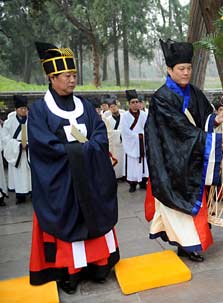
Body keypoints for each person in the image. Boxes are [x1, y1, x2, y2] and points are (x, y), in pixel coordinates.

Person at [28, 42, 119, 294]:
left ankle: (100, 265)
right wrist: (79, 151)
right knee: (68, 224)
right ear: (52, 77)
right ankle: (71, 272)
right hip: (62, 181)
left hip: (89, 178)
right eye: (67, 76)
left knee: (96, 219)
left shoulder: (86, 106)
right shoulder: (39, 111)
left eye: (74, 75)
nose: (72, 80)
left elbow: (100, 133)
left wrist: (89, 149)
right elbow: (43, 145)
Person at [144, 39, 223, 262]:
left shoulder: (194, 92)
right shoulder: (161, 98)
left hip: (190, 155)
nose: (186, 73)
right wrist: (213, 139)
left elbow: (204, 120)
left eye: (189, 68)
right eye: (181, 69)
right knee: (176, 207)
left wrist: (216, 121)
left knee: (194, 203)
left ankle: (189, 243)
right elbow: (178, 130)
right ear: (170, 69)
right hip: (170, 159)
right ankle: (185, 245)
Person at [2, 95, 32, 204]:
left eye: (25, 108)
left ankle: (32, 192)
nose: (23, 111)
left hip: (29, 149)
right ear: (16, 109)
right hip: (16, 151)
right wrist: (18, 146)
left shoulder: (32, 120)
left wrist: (28, 145)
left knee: (30, 174)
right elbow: (5, 138)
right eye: (21, 109)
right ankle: (20, 195)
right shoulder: (9, 122)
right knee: (18, 174)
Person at [121, 89, 149, 192]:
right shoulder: (125, 117)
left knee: (143, 164)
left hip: (142, 143)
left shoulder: (144, 115)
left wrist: (143, 136)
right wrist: (138, 136)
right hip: (132, 144)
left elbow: (147, 128)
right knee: (132, 164)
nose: (135, 104)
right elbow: (125, 131)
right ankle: (132, 184)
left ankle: (143, 182)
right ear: (129, 104)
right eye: (133, 102)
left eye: (137, 102)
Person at [104, 96, 125, 180]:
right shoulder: (107, 119)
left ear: (117, 106)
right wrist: (117, 132)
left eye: (114, 106)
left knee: (124, 159)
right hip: (114, 144)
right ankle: (116, 176)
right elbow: (108, 132)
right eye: (111, 107)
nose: (113, 108)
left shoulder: (124, 116)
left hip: (124, 142)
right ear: (109, 109)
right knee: (116, 159)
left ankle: (124, 175)